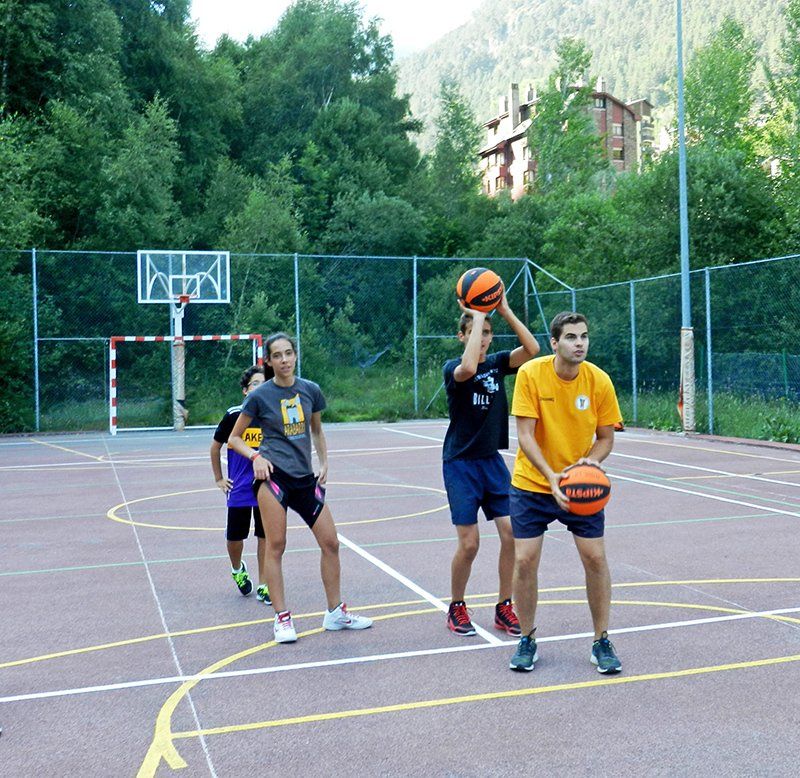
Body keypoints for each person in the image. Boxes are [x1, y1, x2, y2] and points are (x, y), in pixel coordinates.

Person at [227, 332, 372, 643]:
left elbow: (316, 430)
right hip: (274, 480)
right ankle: (282, 618)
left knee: (331, 542)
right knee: (276, 545)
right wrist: (255, 457)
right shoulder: (259, 396)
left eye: (288, 353)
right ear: (269, 361)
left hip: (304, 479)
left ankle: (335, 613)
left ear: (295, 355)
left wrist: (325, 462)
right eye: (277, 355)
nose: (284, 360)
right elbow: (234, 438)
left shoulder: (310, 390)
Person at [508, 311, 623, 674]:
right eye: (571, 337)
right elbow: (524, 435)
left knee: (595, 559)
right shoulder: (531, 374)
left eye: (584, 336)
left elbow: (606, 439)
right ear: (554, 343)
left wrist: (588, 463)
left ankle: (601, 640)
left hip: (579, 486)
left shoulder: (599, 380)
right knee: (525, 561)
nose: (580, 343)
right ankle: (526, 638)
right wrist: (551, 476)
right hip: (533, 483)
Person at [442, 292, 540, 637]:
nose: (481, 338)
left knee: (512, 534)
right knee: (470, 544)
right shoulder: (453, 369)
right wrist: (478, 313)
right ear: (462, 336)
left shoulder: (498, 363)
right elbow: (469, 368)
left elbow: (532, 349)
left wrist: (504, 309)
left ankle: (504, 605)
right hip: (460, 463)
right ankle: (456, 605)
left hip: (491, 461)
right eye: (474, 332)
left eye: (486, 333)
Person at [210, 365, 270, 604]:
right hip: (240, 487)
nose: (261, 387)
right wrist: (219, 478)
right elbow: (215, 447)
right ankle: (237, 568)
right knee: (235, 538)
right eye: (256, 383)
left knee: (265, 535)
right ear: (246, 390)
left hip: (266, 485)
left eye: (265, 383)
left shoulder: (272, 416)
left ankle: (265, 584)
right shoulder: (235, 416)